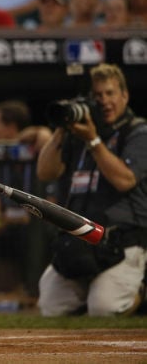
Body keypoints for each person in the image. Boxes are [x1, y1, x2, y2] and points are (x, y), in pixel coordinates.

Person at [36, 63, 147, 316]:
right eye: (98, 95)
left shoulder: (138, 132)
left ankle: (139, 292)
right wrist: (61, 130)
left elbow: (125, 180)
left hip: (121, 242)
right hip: (80, 241)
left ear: (125, 95)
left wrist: (94, 141)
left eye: (110, 93)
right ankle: (92, 292)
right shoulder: (78, 135)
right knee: (51, 308)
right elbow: (45, 172)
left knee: (104, 309)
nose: (105, 101)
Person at [0, 100, 52, 298]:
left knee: (38, 230)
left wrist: (40, 132)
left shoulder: (40, 150)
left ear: (11, 127)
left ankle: (34, 292)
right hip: (10, 225)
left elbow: (51, 206)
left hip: (39, 223)